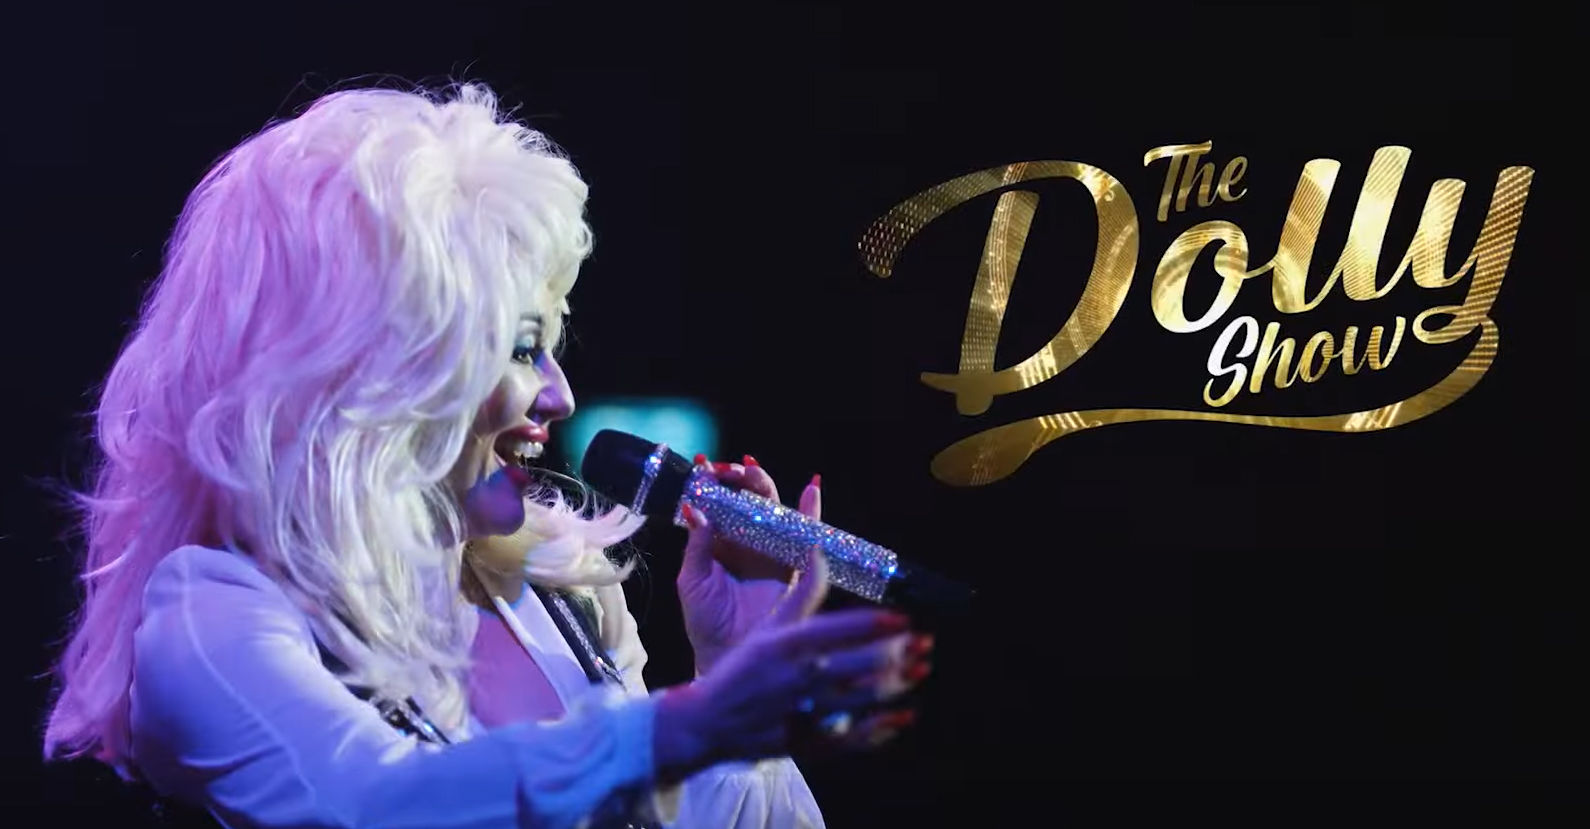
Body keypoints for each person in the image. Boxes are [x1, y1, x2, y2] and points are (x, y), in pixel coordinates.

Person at [41, 82, 930, 829]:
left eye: (550, 344)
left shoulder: (557, 590)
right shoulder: (214, 619)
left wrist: (731, 681)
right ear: (369, 372)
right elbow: (369, 803)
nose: (559, 396)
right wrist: (686, 725)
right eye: (519, 347)